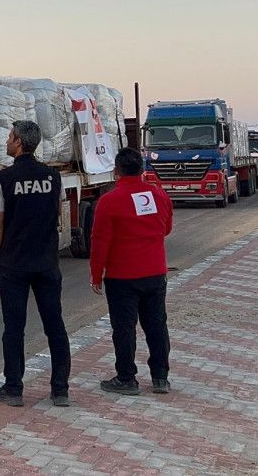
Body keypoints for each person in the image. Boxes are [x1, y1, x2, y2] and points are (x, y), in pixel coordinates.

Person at [0, 120, 70, 407]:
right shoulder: (53, 177)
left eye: (10, 137)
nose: (6, 141)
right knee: (55, 326)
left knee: (14, 328)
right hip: (46, 262)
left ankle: (13, 389)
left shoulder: (2, 179)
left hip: (14, 264)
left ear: (19, 143)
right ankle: (60, 390)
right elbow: (57, 212)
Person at [90, 147, 174, 395]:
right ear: (142, 169)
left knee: (124, 328)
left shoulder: (109, 201)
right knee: (157, 325)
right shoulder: (158, 194)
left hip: (122, 276)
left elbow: (100, 241)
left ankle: (126, 378)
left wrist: (96, 274)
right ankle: (160, 377)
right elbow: (167, 228)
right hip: (155, 272)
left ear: (116, 171)